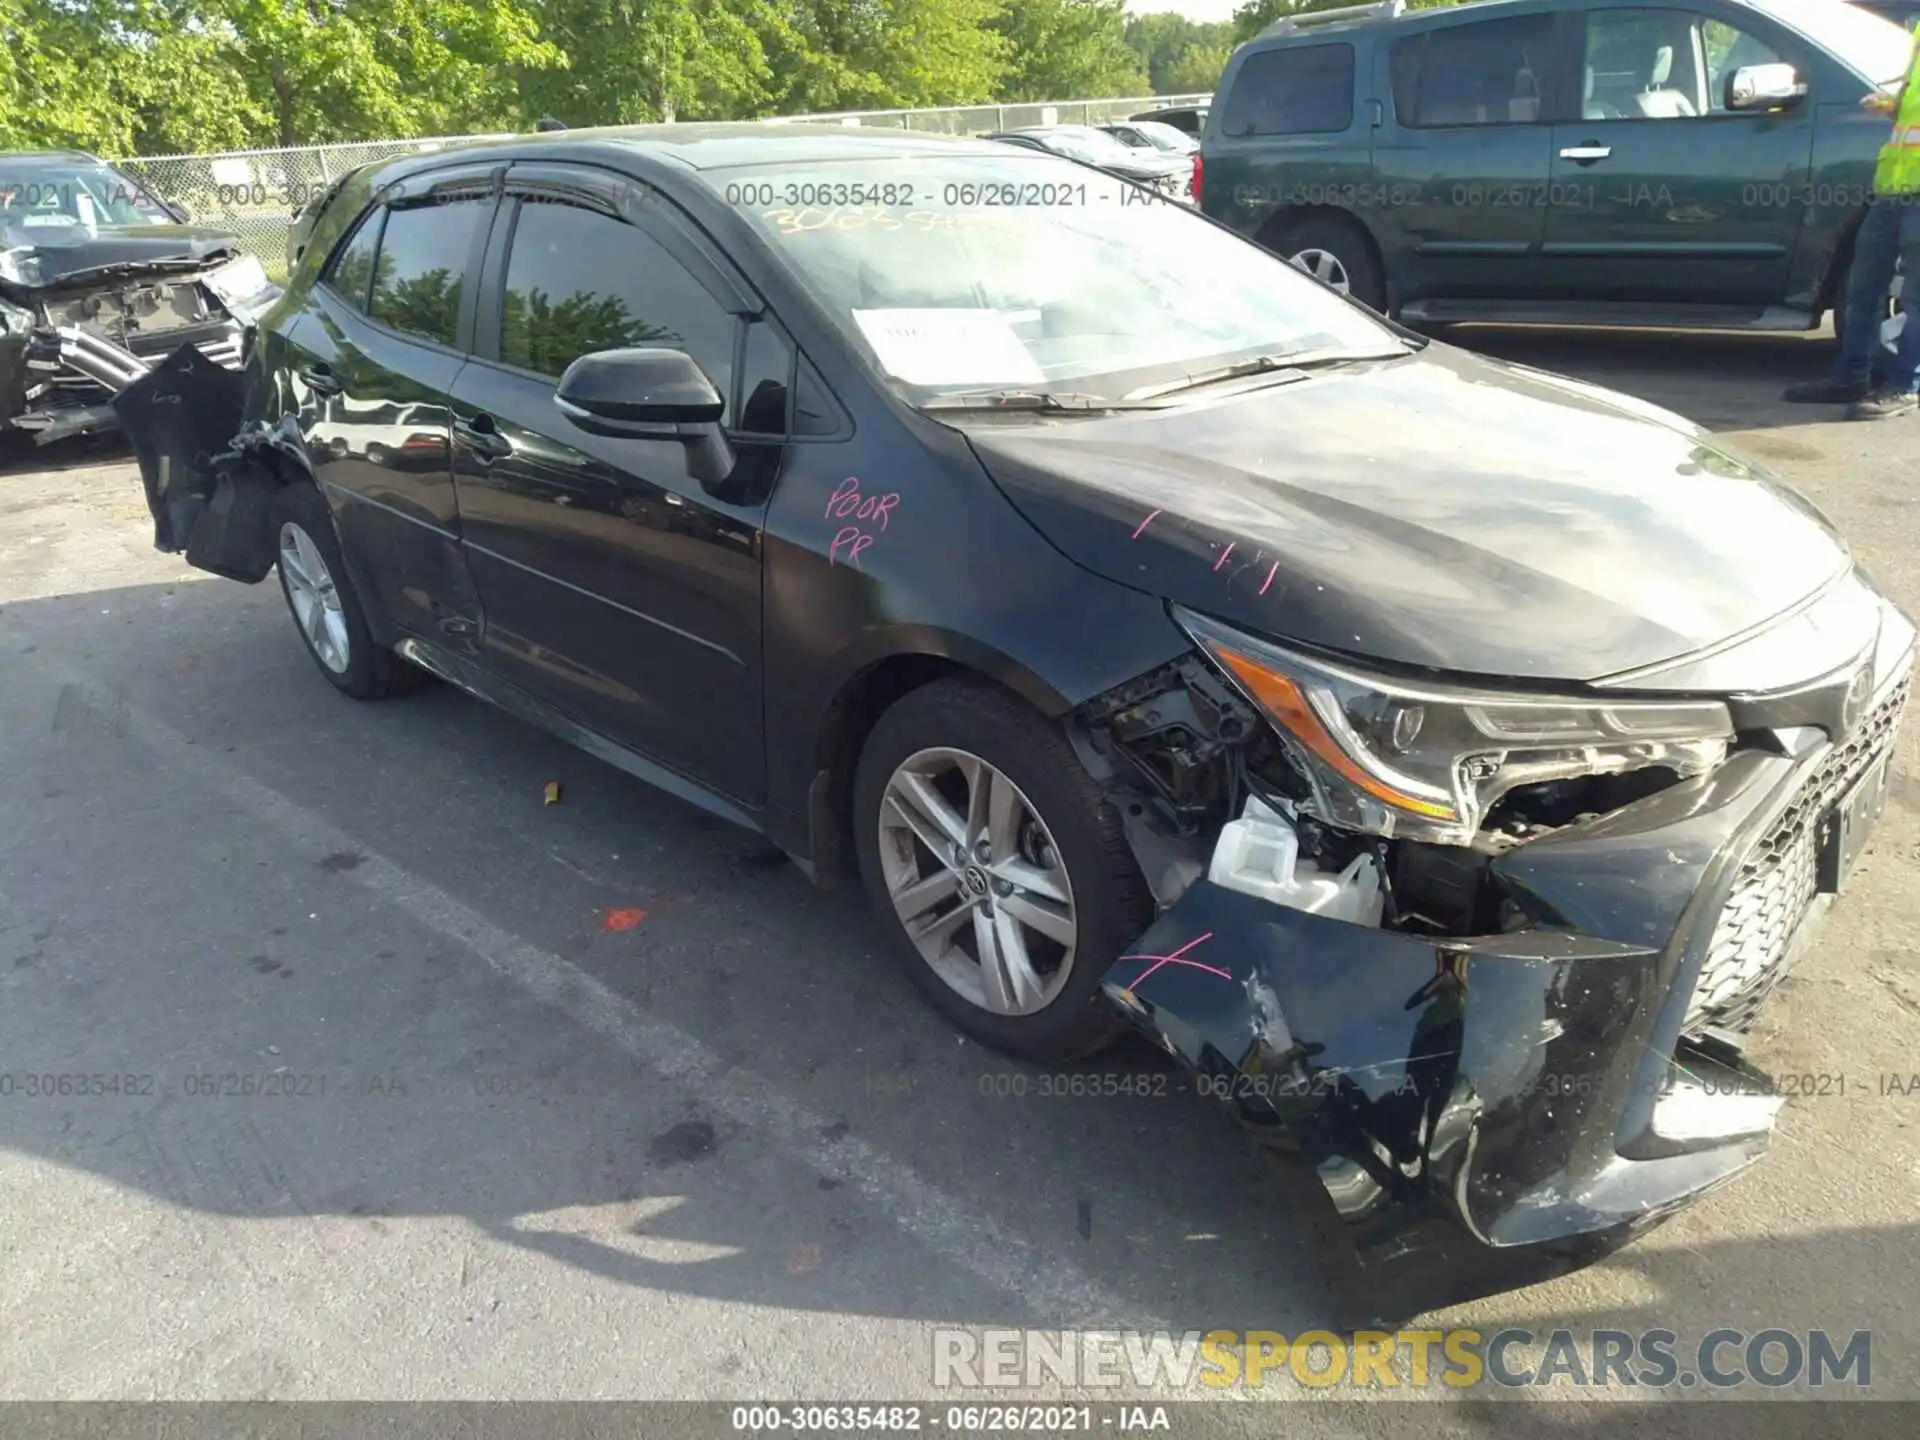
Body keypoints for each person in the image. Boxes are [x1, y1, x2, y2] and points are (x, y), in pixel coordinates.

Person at [1784, 32, 1920, 420]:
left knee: (1915, 299)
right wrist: (1892, 106)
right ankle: (1850, 377)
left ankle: (1905, 385)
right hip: (1892, 188)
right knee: (1862, 288)